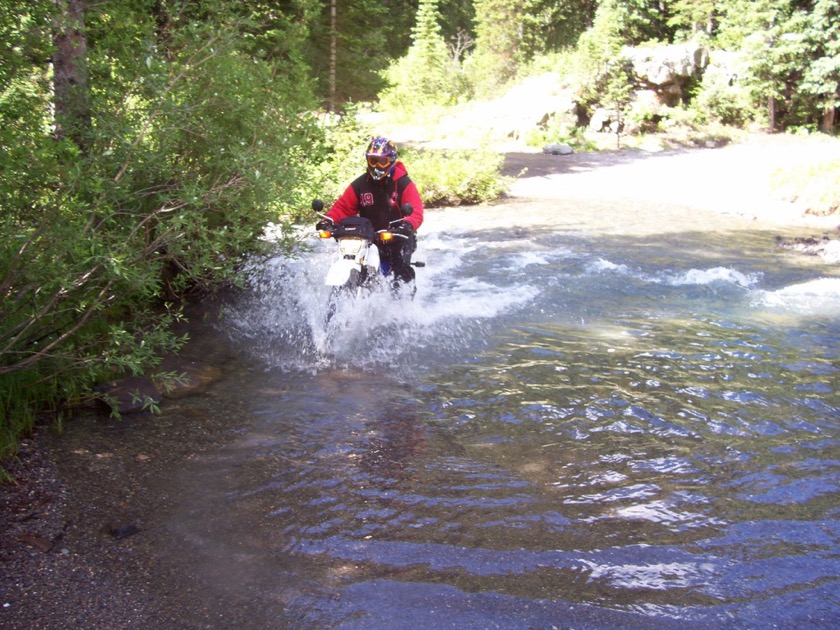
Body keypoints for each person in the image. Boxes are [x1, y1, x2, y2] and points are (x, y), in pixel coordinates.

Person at [316, 136, 424, 287]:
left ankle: (403, 304)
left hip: (398, 237)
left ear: (391, 161)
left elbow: (416, 212)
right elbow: (343, 207)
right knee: (355, 262)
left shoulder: (403, 183)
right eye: (373, 161)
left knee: (399, 273)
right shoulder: (361, 184)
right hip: (368, 237)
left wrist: (407, 225)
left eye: (382, 161)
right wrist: (327, 221)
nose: (377, 166)